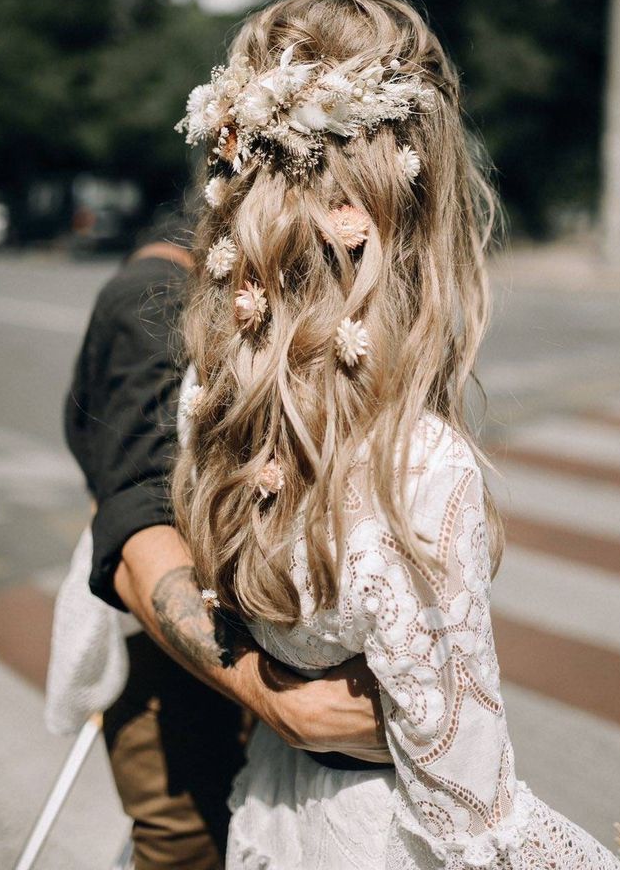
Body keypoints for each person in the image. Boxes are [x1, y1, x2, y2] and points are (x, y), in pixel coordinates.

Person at [170, 0, 620, 869]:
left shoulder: (215, 393)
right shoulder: (415, 468)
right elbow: (467, 817)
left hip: (275, 814)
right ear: (421, 208)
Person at [64, 218, 387, 870]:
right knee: (189, 845)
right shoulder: (151, 299)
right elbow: (139, 525)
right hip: (169, 649)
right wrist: (274, 695)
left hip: (275, 632)